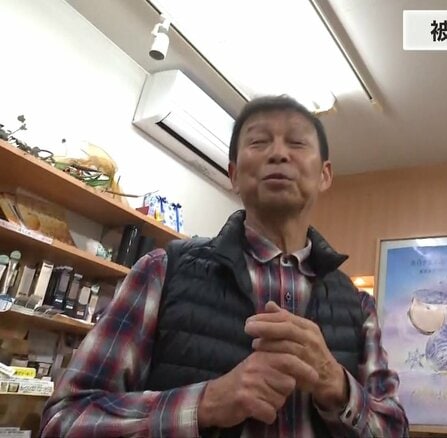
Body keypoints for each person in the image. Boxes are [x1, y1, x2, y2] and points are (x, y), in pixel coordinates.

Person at [40, 96, 409, 437]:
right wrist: (204, 404)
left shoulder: (359, 306)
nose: (278, 153)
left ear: (325, 175)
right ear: (233, 174)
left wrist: (336, 384)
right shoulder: (162, 271)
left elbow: (395, 429)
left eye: (297, 143)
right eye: (259, 142)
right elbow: (64, 421)